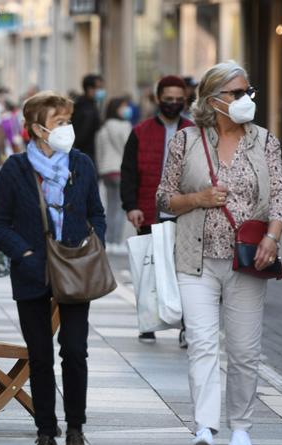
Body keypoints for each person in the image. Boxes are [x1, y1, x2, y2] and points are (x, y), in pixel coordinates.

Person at [156, 61, 282, 445]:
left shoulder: (265, 141)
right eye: (237, 93)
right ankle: (204, 428)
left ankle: (242, 427)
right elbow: (164, 197)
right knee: (201, 345)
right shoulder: (186, 140)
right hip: (196, 258)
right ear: (214, 100)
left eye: (249, 91)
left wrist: (272, 236)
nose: (247, 99)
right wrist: (197, 199)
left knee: (245, 350)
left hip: (247, 259)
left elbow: (280, 195)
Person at [0, 91, 106, 445]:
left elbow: (97, 213)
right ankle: (45, 433)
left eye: (68, 121)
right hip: (32, 273)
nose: (67, 129)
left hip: (74, 269)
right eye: (59, 123)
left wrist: (90, 245)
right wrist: (24, 253)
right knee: (39, 356)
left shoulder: (82, 164)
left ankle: (75, 430)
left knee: (74, 351)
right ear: (38, 129)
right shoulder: (15, 169)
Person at [121, 75, 194, 344]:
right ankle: (148, 322)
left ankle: (187, 326)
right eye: (168, 99)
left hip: (185, 213)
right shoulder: (140, 132)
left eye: (179, 100)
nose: (173, 104)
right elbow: (128, 173)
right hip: (149, 210)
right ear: (157, 99)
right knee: (148, 269)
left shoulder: (194, 131)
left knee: (185, 273)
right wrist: (131, 206)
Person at [94, 96, 133, 250]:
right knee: (120, 208)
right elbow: (129, 149)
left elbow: (99, 151)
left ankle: (108, 239)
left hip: (106, 171)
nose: (126, 109)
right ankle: (116, 241)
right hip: (120, 170)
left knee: (110, 206)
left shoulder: (102, 128)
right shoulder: (124, 126)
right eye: (123, 106)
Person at [70, 74, 105, 163]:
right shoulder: (85, 108)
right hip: (85, 154)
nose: (101, 91)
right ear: (89, 89)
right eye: (98, 88)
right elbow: (81, 135)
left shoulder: (91, 105)